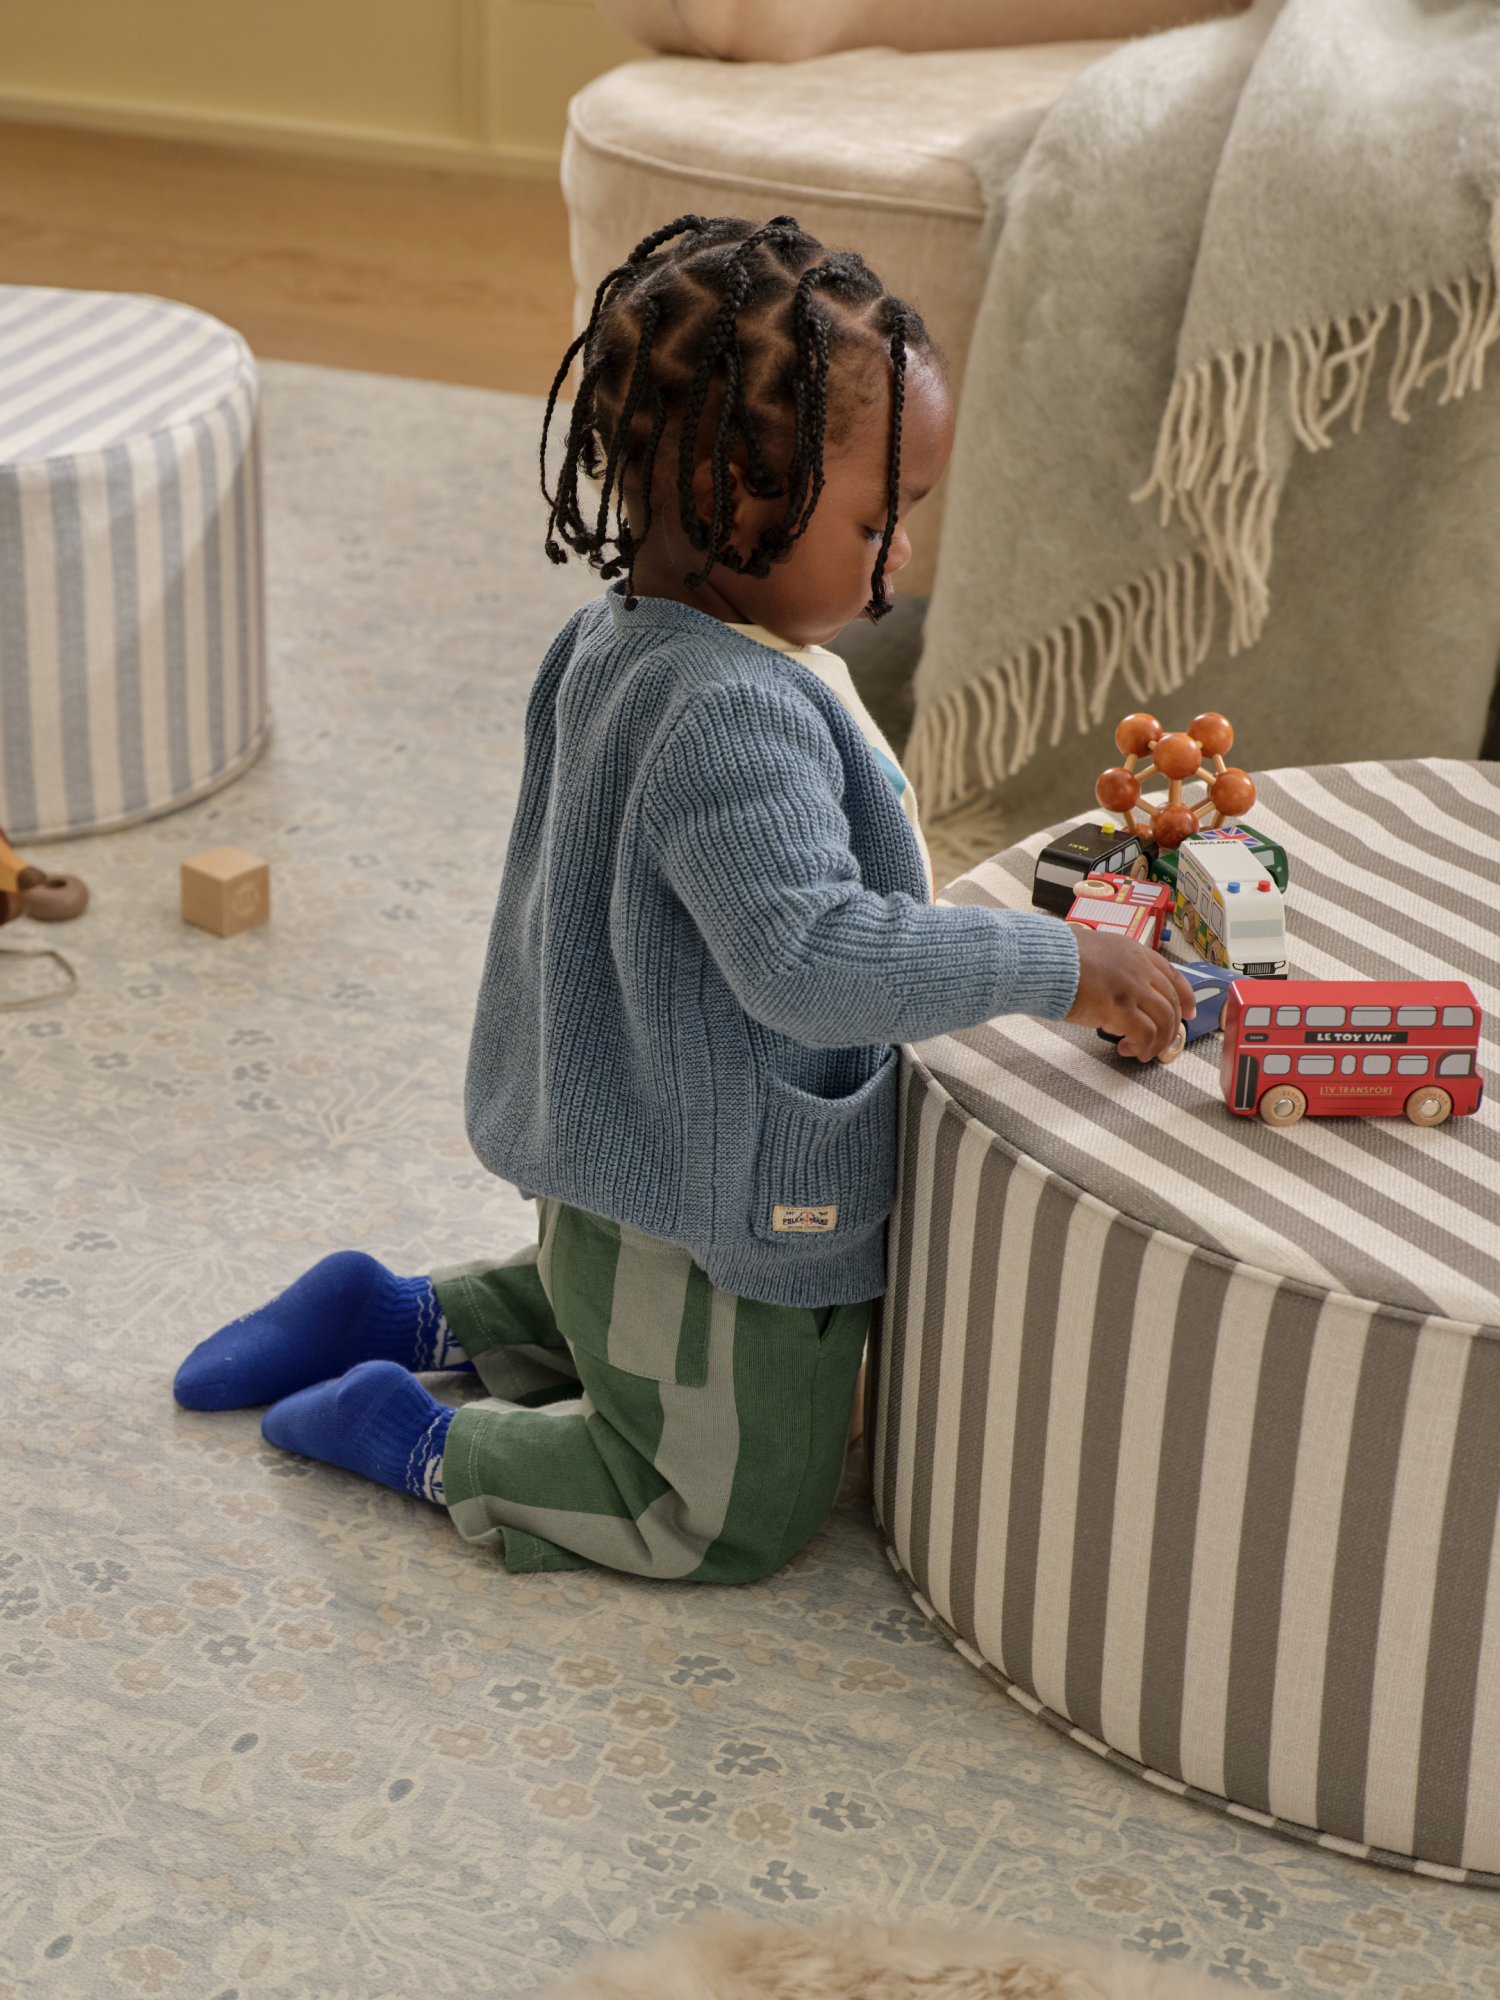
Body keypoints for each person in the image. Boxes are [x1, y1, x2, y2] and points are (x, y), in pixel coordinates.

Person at [174, 215, 1191, 1581]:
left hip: (630, 1145)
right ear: (730, 487)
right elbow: (811, 958)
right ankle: (417, 1435)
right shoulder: (729, 717)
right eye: (876, 520)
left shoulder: (624, 638)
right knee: (720, 1509)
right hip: (720, 1192)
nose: (898, 565)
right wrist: (1056, 963)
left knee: (613, 1300)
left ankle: (400, 1310)